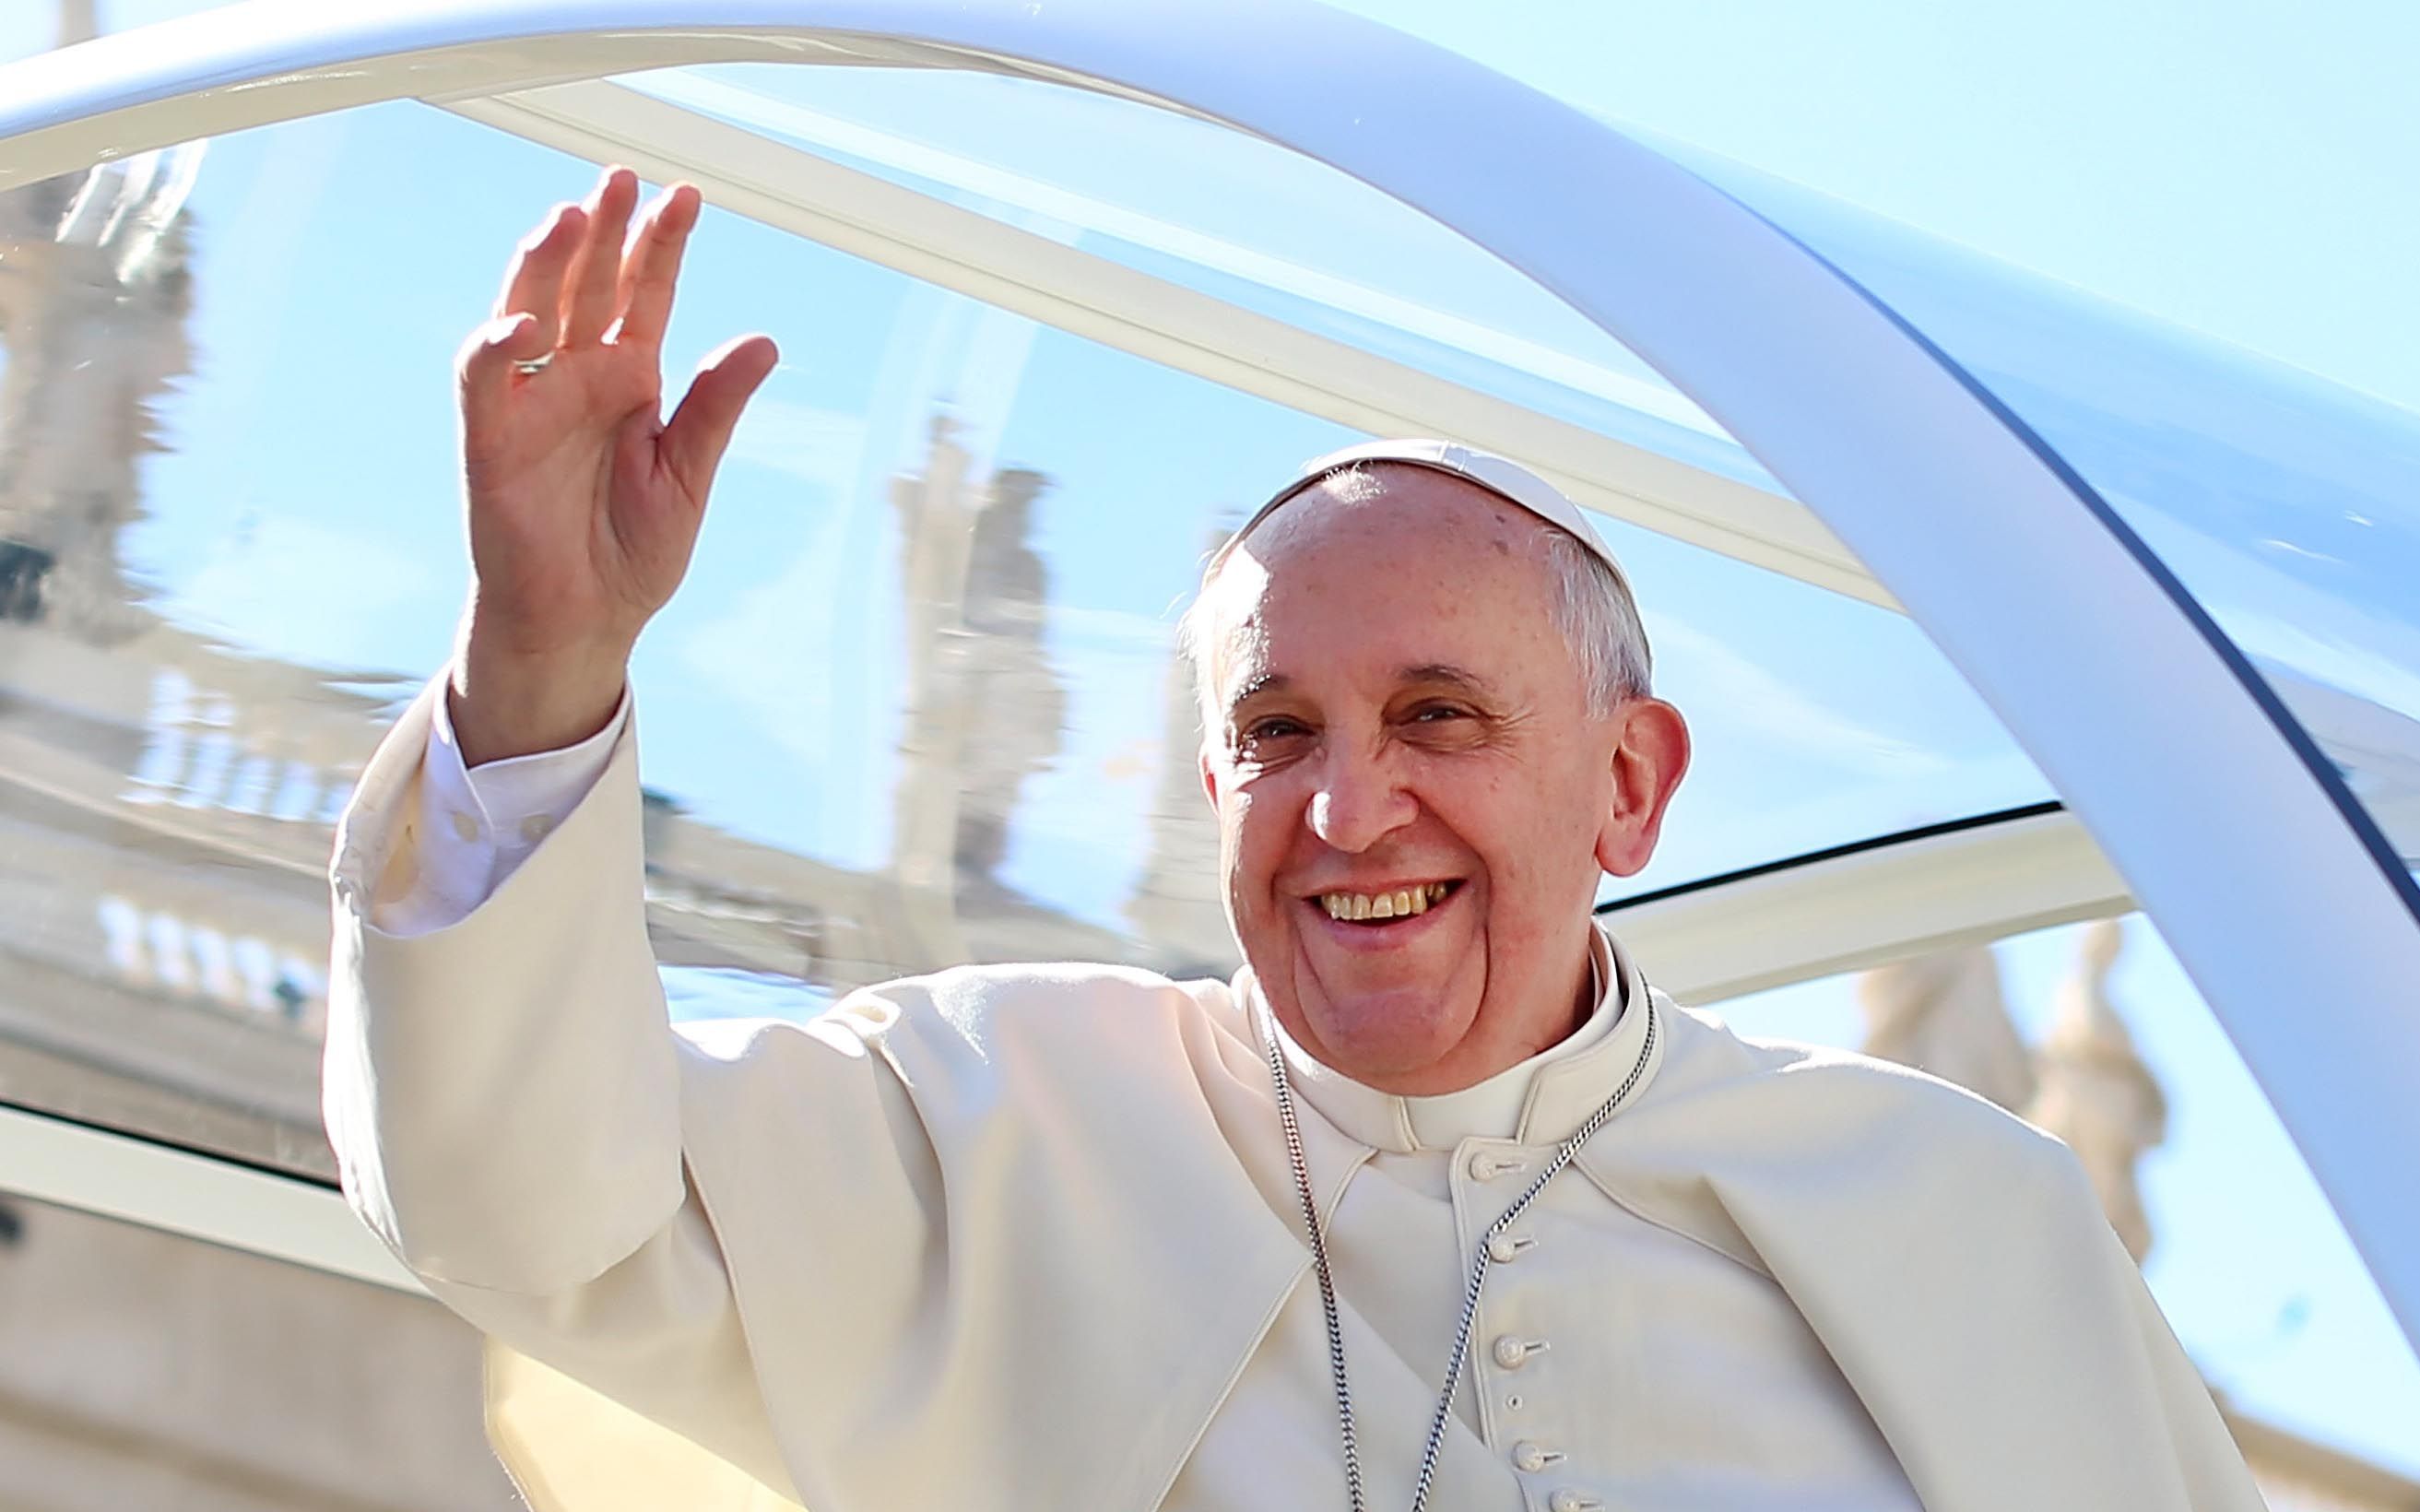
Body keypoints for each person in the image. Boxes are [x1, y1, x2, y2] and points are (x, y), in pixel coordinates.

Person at [323, 168, 2264, 1512]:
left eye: (1439, 716)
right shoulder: (997, 1118)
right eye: (1274, 734)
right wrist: (544, 663)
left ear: (1629, 784)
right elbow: (525, 1207)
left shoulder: (1957, 1211)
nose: (1349, 811)